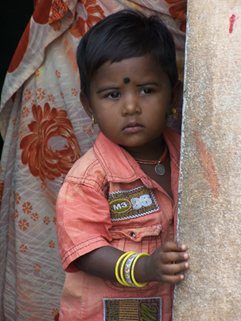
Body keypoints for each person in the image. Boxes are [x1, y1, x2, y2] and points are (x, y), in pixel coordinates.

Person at [56, 9, 189, 321]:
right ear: (89, 105)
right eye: (113, 94)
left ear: (174, 95)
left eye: (147, 90)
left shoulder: (189, 158)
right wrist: (144, 267)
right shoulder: (89, 179)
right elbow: (86, 251)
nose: (131, 107)